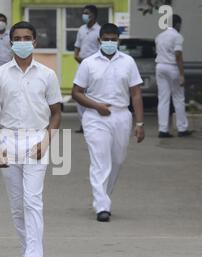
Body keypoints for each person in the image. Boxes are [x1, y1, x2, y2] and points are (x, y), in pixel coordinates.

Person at [0, 21, 62, 257]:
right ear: (10, 41)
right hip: (8, 139)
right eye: (17, 38)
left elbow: (56, 114)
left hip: (37, 140)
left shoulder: (47, 75)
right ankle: (29, 256)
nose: (22, 41)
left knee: (33, 201)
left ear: (35, 41)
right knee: (17, 207)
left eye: (27, 37)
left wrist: (47, 141)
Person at [72, 23, 145, 223]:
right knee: (100, 160)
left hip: (122, 115)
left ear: (118, 40)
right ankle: (102, 206)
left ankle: (103, 197)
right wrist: (96, 106)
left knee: (117, 161)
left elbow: (136, 94)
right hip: (96, 117)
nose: (110, 42)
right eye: (107, 38)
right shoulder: (88, 63)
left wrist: (140, 124)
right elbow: (76, 93)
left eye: (114, 38)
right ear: (99, 39)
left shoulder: (128, 62)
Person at [155, 14, 193, 138]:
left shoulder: (159, 36)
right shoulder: (177, 37)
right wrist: (182, 74)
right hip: (172, 67)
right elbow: (178, 55)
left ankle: (163, 129)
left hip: (160, 66)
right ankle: (182, 128)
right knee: (178, 98)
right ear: (178, 24)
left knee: (163, 99)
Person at [73, 5, 101, 134]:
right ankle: (83, 124)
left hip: (95, 68)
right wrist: (77, 56)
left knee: (94, 95)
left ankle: (94, 123)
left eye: (87, 13)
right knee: (79, 94)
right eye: (83, 13)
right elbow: (77, 48)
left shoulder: (99, 31)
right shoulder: (81, 30)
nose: (84, 15)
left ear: (93, 15)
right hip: (81, 65)